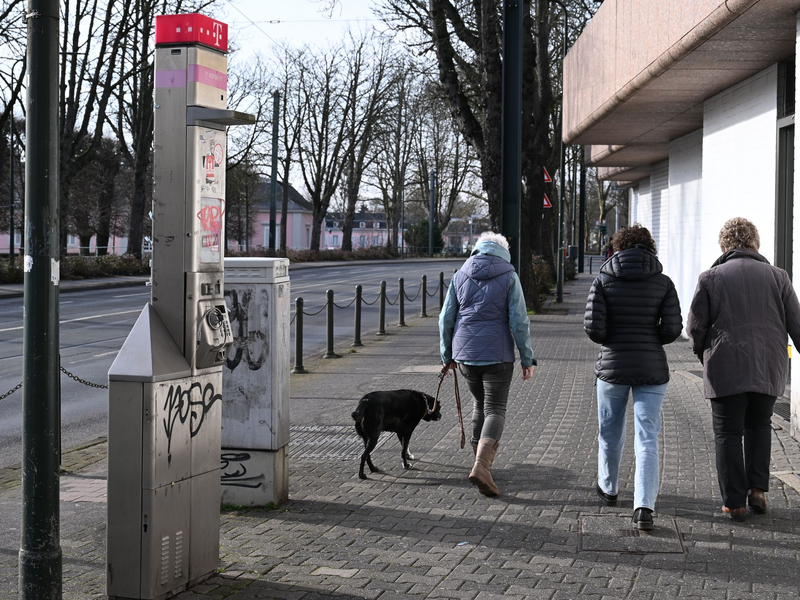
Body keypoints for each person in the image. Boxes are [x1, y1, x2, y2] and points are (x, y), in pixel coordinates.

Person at [687, 217, 800, 522]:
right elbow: (797, 325)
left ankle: (734, 502)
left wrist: (704, 355)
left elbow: (695, 327)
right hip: (768, 367)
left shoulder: (711, 278)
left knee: (727, 433)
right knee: (760, 425)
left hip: (725, 368)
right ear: (755, 244)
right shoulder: (779, 277)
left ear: (724, 246)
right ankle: (758, 491)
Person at [584, 224, 682, 530]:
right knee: (647, 437)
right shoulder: (663, 281)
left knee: (609, 432)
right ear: (650, 248)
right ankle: (643, 507)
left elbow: (594, 329)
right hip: (651, 368)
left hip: (612, 367)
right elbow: (672, 329)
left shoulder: (603, 279)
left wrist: (614, 338)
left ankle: (609, 488)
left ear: (617, 247)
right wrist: (649, 339)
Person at [439, 231, 535, 497]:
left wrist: (447, 356)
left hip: (465, 354)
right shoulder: (509, 275)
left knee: (479, 404)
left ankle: (479, 463)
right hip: (498, 354)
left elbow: (445, 318)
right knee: (495, 409)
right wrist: (527, 358)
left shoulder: (460, 274)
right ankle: (482, 466)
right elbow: (519, 321)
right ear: (503, 251)